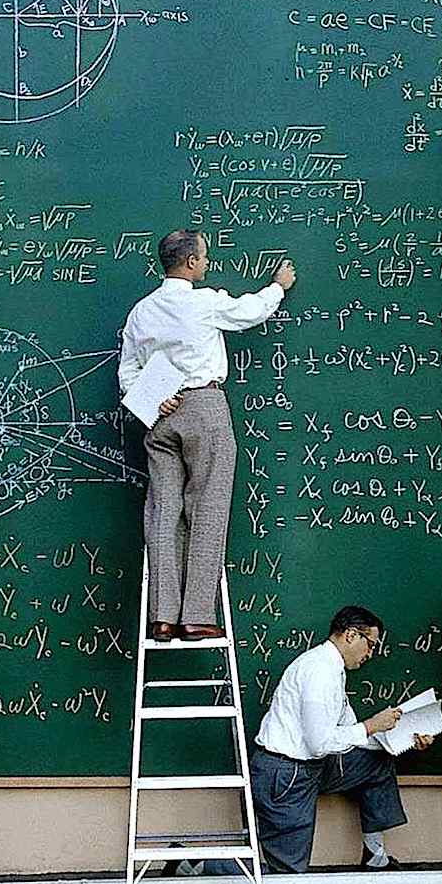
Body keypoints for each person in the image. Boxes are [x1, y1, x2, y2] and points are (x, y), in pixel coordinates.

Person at [118, 229, 296, 641]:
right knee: (208, 508)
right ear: (192, 263)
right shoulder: (202, 302)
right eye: (206, 257)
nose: (208, 263)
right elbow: (249, 312)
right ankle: (196, 615)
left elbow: (127, 370)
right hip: (204, 407)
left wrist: (150, 396)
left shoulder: (141, 311)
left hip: (158, 413)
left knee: (164, 511)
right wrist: (278, 287)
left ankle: (162, 616)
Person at [248, 605, 432, 874]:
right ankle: (196, 863)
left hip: (313, 767)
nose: (371, 654)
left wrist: (403, 738)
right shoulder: (319, 671)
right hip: (286, 775)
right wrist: (369, 726)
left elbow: (351, 732)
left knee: (376, 761)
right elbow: (320, 743)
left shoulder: (334, 669)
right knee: (287, 876)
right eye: (370, 645)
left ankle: (374, 856)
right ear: (350, 635)